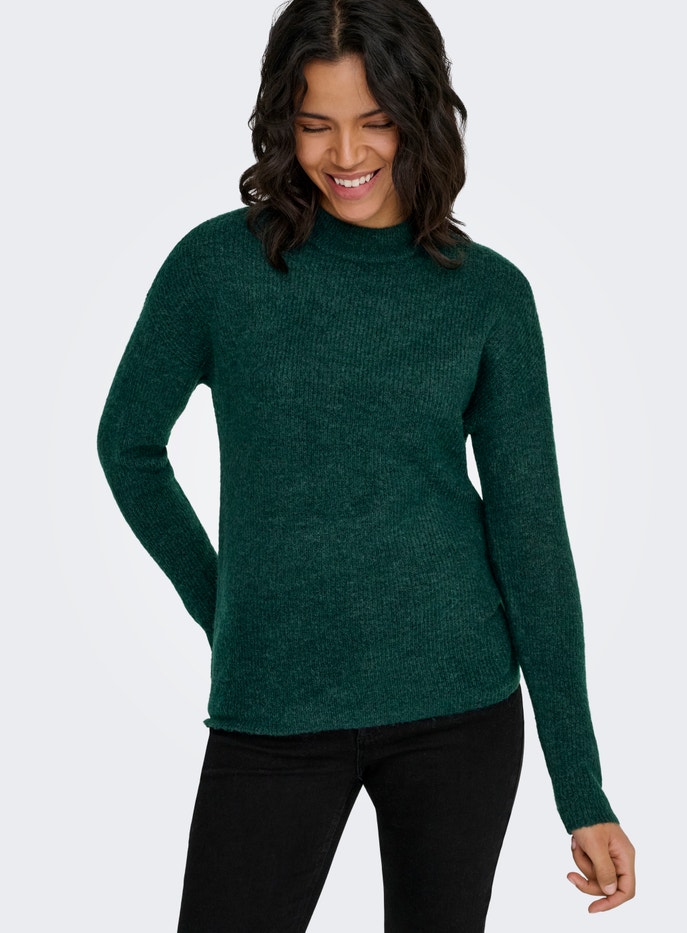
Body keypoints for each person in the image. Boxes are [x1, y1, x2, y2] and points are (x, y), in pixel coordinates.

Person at [96, 0, 636, 929]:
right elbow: (128, 444)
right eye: (316, 124)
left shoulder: (489, 295)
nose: (346, 154)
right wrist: (225, 607)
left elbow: (532, 536)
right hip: (273, 708)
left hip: (460, 710)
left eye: (376, 120)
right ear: (283, 122)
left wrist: (581, 786)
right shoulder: (217, 269)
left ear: (419, 116)